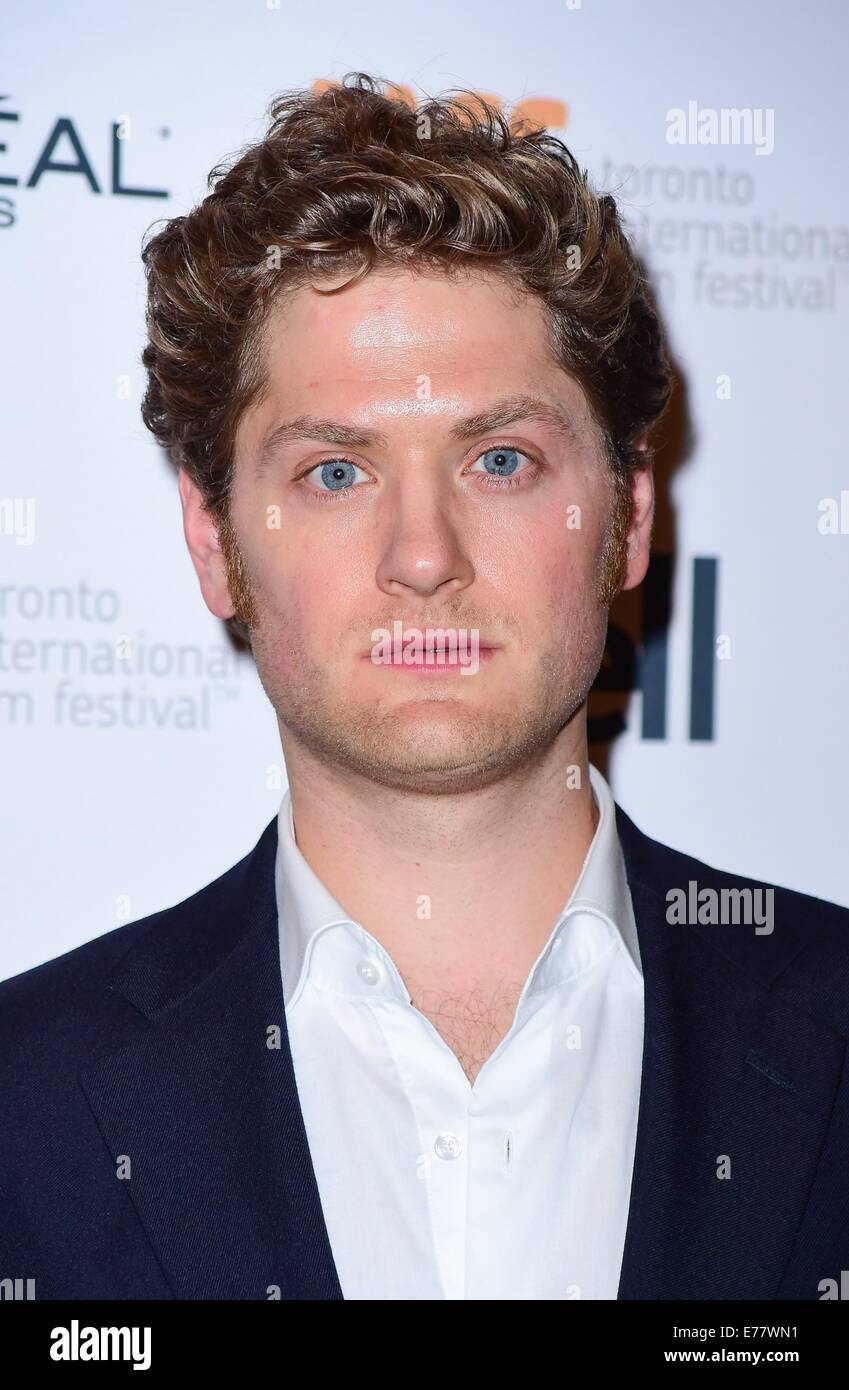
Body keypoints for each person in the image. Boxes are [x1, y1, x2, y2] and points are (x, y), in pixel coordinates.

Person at [2, 73, 848, 1302]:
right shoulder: (24, 1109)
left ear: (627, 518)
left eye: (501, 459)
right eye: (337, 472)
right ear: (211, 538)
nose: (423, 557)